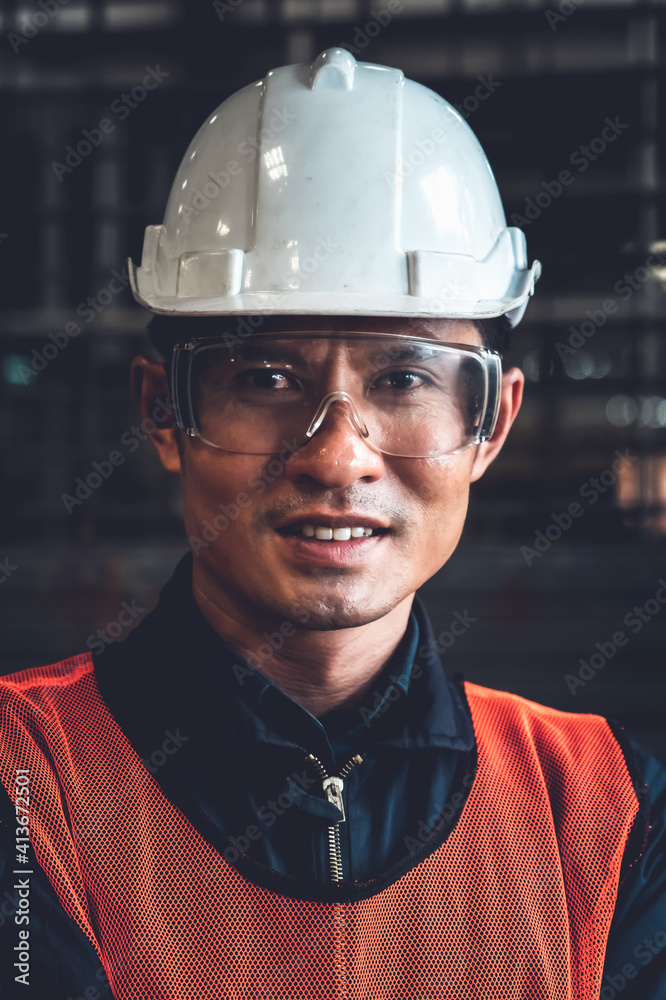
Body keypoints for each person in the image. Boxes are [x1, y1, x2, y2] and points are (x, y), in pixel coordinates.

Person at [0, 46, 664, 1000]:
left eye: (403, 378)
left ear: (492, 422)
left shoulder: (604, 815)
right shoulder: (29, 788)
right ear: (161, 411)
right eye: (267, 379)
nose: (336, 454)